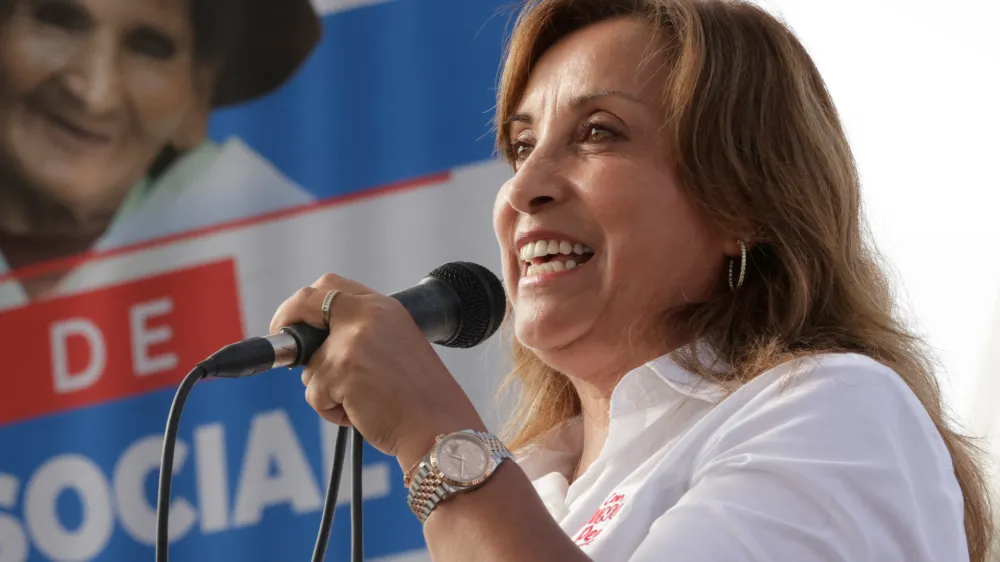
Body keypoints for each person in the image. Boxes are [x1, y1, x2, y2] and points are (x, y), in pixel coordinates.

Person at [269, 0, 993, 560]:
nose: (525, 188)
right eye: (521, 147)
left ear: (743, 202)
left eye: (598, 133)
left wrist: (435, 437)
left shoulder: (837, 411)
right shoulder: (531, 483)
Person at [0, 0, 320, 308]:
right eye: (59, 19)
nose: (96, 95)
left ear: (198, 94)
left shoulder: (270, 245)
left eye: (150, 48)